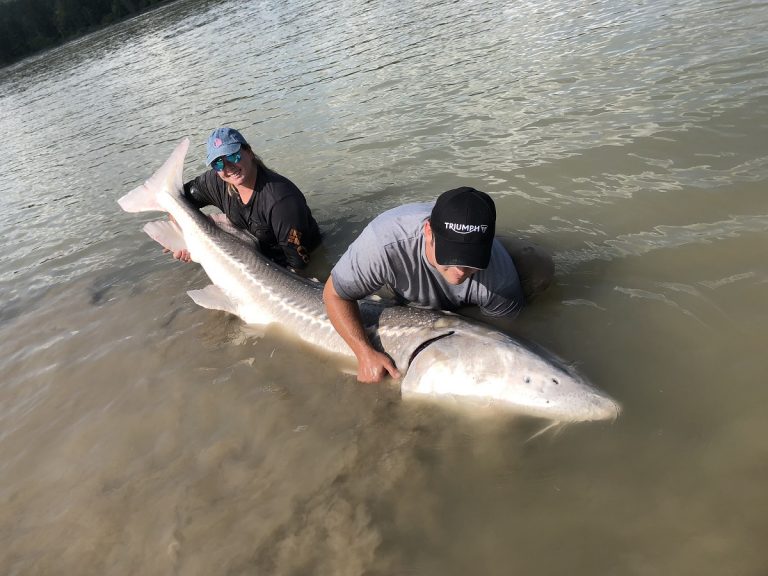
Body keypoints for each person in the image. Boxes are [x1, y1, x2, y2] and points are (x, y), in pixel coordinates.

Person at [322, 187, 554, 383]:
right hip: (396, 281)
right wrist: (364, 353)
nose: (460, 270)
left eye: (471, 259)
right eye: (451, 256)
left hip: (483, 281)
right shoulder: (383, 244)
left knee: (536, 266)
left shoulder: (499, 275)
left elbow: (501, 335)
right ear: (428, 233)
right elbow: (334, 295)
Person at [171, 127, 321, 270]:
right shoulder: (215, 181)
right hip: (254, 253)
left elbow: (300, 265)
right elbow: (176, 202)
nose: (227, 167)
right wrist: (182, 238)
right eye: (218, 163)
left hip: (289, 260)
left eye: (232, 156)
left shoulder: (281, 201)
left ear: (249, 152)